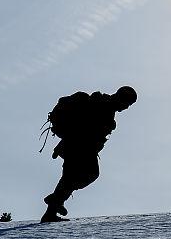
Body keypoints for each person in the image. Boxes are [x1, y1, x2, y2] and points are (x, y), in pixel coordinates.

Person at [40, 85, 138, 223]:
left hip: (75, 146)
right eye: (127, 103)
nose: (127, 107)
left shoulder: (105, 106)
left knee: (69, 177)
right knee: (87, 174)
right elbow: (85, 127)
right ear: (121, 98)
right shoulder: (104, 105)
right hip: (79, 147)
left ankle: (52, 207)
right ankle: (55, 201)